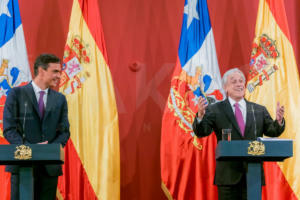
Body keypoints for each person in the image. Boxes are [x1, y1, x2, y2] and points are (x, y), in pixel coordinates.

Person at [192, 68, 285, 200]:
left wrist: (279, 121)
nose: (239, 84)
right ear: (225, 87)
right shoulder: (215, 110)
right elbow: (202, 131)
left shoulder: (258, 110)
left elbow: (272, 130)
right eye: (234, 81)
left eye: (241, 81)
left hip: (253, 176)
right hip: (228, 177)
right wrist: (200, 116)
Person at [3, 54, 70, 200]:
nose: (59, 76)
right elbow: (9, 128)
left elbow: (64, 131)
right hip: (22, 165)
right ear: (41, 71)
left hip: (49, 169)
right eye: (55, 71)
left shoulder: (60, 99)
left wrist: (48, 150)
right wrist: (30, 150)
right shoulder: (16, 94)